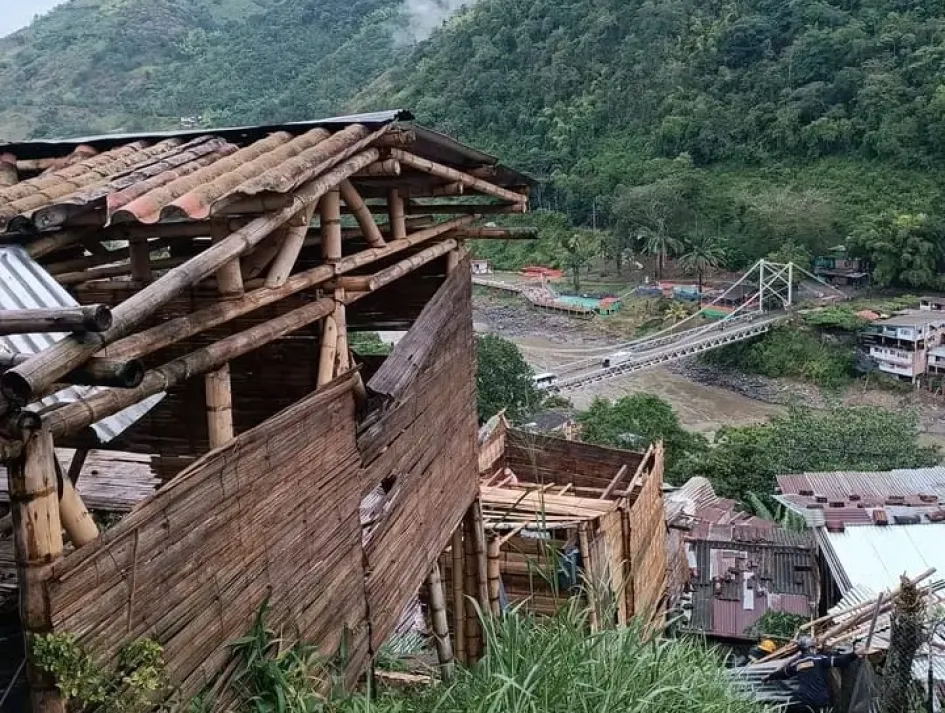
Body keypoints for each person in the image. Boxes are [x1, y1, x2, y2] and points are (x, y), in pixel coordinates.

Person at [764, 635, 863, 712]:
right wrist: (855, 654)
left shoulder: (797, 663)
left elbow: (783, 674)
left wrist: (769, 677)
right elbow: (840, 661)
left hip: (804, 701)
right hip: (821, 701)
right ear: (811, 648)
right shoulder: (819, 659)